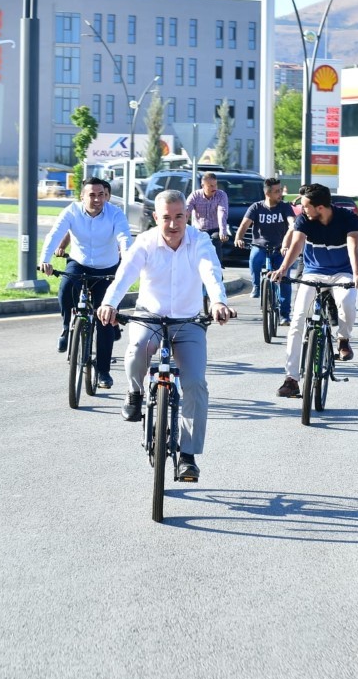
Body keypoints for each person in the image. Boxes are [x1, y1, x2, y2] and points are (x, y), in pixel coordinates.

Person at [98, 190, 233, 482]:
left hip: (189, 321)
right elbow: (124, 274)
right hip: (150, 316)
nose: (173, 224)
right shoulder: (145, 242)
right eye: (166, 218)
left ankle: (187, 455)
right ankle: (135, 392)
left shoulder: (200, 241)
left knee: (195, 383)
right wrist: (110, 303)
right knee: (136, 349)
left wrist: (219, 301)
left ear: (187, 215)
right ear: (156, 217)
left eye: (179, 217)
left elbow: (210, 272)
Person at [270, 184, 358, 398]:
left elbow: (353, 246)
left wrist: (357, 273)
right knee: (298, 320)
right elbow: (296, 245)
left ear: (320, 207)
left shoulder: (348, 218)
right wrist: (283, 269)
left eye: (305, 206)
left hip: (343, 273)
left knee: (348, 301)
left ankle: (343, 339)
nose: (302, 210)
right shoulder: (305, 219)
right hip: (313, 273)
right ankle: (291, 379)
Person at [38, 177, 132, 388]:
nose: (97, 199)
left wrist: (127, 261)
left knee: (105, 319)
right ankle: (65, 328)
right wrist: (44, 260)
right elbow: (55, 234)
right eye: (92, 195)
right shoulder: (71, 211)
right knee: (65, 288)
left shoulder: (115, 214)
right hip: (79, 263)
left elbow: (124, 238)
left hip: (106, 269)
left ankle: (103, 372)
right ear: (82, 196)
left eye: (100, 195)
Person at [233, 176, 294, 323]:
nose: (280, 194)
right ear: (268, 193)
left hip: (280, 249)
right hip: (260, 246)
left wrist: (292, 228)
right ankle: (256, 285)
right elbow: (244, 225)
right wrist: (238, 238)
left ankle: (284, 314)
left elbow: (292, 223)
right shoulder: (256, 207)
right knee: (255, 258)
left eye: (280, 190)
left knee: (285, 279)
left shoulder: (285, 207)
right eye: (277, 191)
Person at [186, 171, 229, 253]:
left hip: (215, 229)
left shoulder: (221, 195)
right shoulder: (195, 195)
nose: (214, 188)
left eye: (216, 185)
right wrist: (183, 228)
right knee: (196, 246)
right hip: (199, 229)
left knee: (215, 240)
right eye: (211, 186)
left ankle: (217, 265)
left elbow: (222, 213)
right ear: (203, 186)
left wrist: (223, 231)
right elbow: (186, 211)